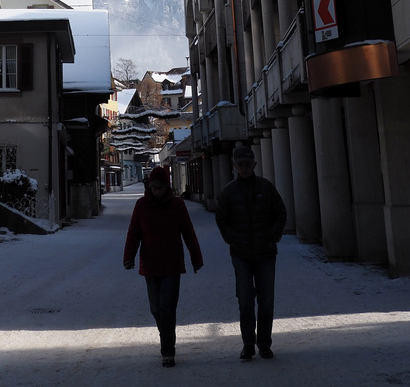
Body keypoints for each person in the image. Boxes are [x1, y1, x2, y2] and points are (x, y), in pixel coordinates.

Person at [123, 166, 203, 367]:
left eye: (160, 187)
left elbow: (188, 232)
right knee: (156, 308)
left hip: (172, 264)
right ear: (149, 187)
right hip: (150, 264)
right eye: (154, 187)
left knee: (167, 307)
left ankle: (168, 350)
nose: (157, 191)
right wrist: (129, 256)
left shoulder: (177, 205)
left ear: (167, 187)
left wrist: (196, 258)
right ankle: (165, 334)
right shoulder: (141, 206)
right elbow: (134, 233)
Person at [215, 144, 287, 361]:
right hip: (242, 255)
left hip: (265, 253)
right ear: (235, 165)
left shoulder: (266, 188)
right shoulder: (229, 192)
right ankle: (248, 344)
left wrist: (273, 235)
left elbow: (280, 213)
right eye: (241, 164)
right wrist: (232, 238)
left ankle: (264, 344)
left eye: (248, 164)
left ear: (254, 165)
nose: (245, 168)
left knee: (266, 302)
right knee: (245, 301)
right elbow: (222, 219)